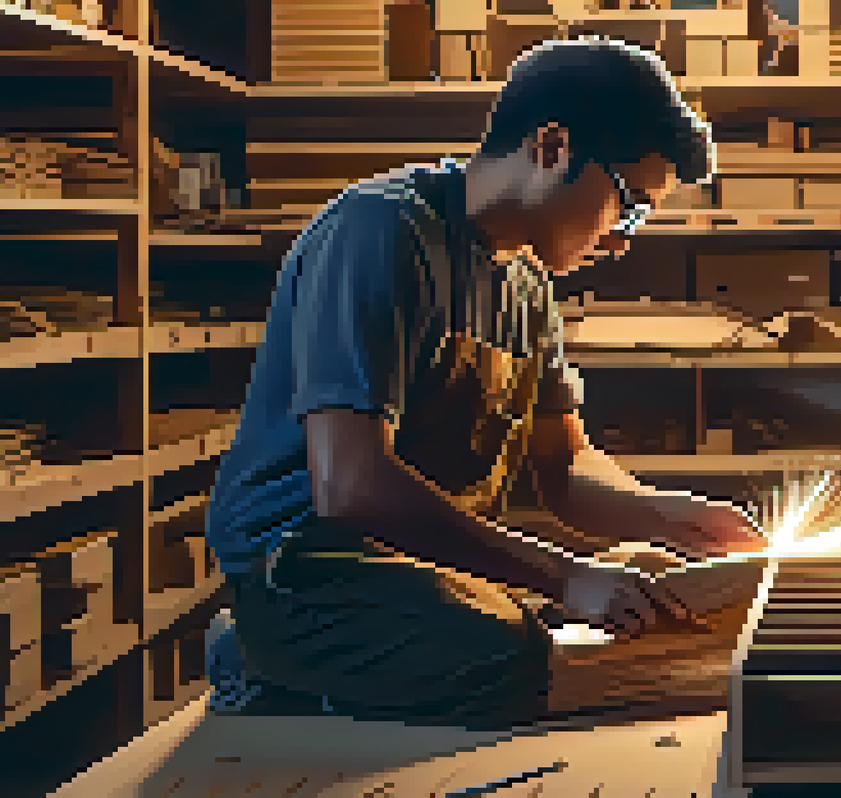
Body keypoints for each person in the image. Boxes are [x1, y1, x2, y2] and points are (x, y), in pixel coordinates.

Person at [202, 38, 763, 729]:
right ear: (553, 147)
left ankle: (451, 625)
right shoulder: (380, 231)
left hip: (424, 569)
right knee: (510, 657)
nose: (622, 238)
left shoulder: (527, 287)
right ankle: (257, 653)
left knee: (648, 576)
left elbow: (566, 467)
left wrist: (667, 514)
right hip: (312, 568)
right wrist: (566, 579)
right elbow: (349, 485)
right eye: (628, 205)